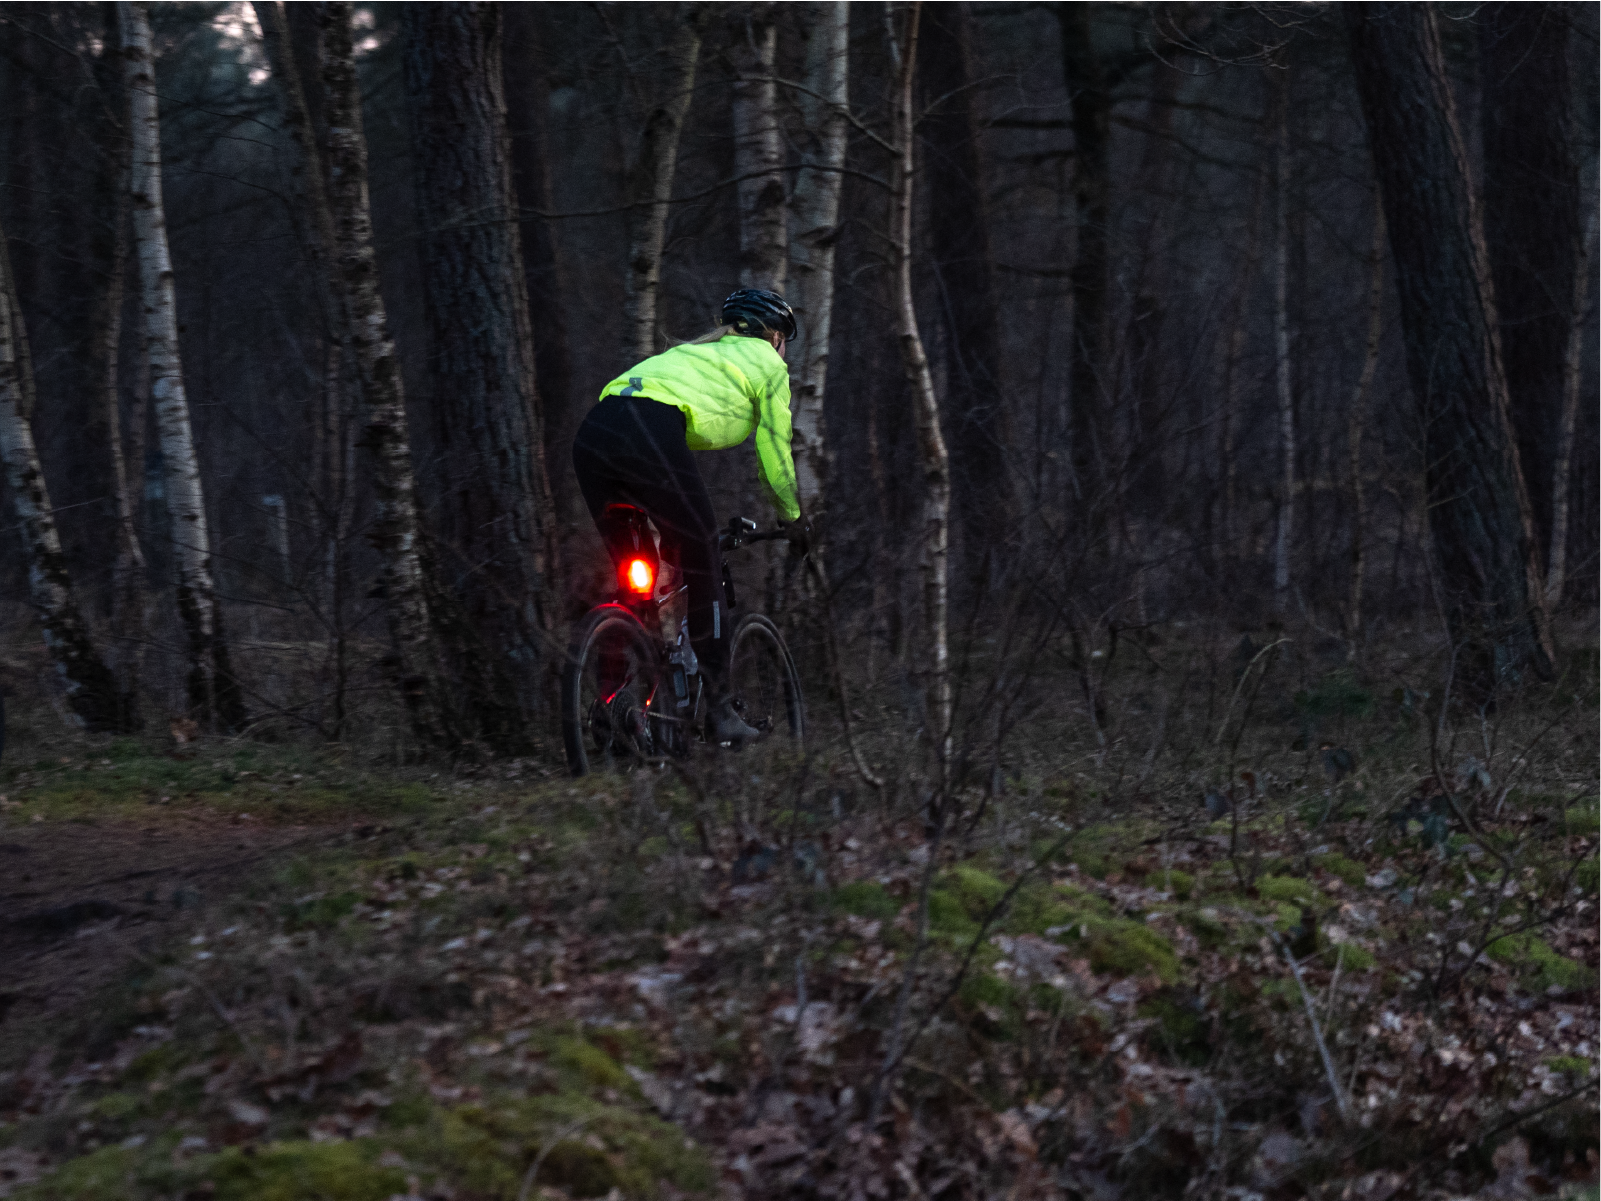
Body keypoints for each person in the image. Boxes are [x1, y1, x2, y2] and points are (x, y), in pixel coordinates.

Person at [572, 288, 808, 746]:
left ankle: (612, 705)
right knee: (702, 554)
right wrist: (793, 518)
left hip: (595, 435)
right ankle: (719, 708)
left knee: (635, 578)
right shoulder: (768, 364)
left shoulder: (695, 355)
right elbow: (774, 452)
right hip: (647, 429)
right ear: (776, 337)